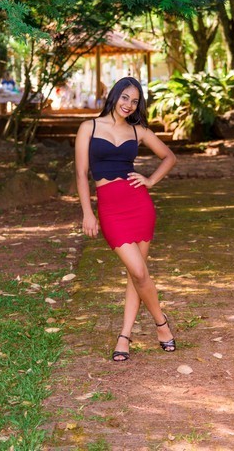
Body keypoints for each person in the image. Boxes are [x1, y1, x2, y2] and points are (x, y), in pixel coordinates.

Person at [75, 77, 177, 361]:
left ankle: (124, 336)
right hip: (110, 209)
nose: (129, 105)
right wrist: (87, 212)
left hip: (139, 205)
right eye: (125, 98)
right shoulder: (89, 127)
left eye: (135, 101)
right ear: (115, 95)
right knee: (139, 272)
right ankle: (162, 324)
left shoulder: (138, 130)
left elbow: (169, 157)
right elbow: (81, 173)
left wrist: (151, 180)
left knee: (137, 274)